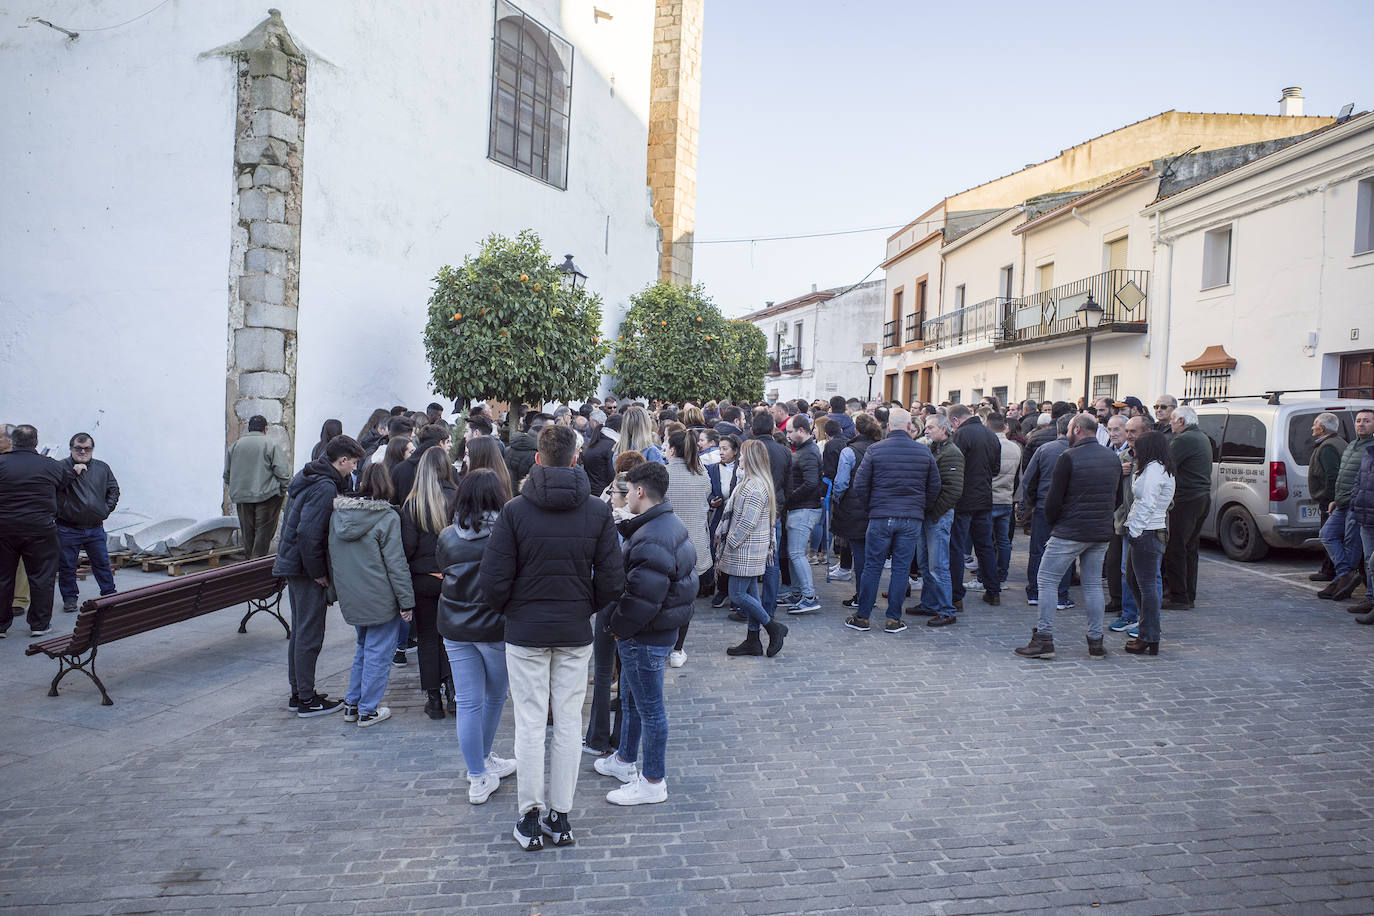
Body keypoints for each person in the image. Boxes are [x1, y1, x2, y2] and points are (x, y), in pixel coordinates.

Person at [480, 425, 625, 851]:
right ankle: (559, 816)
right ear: (576, 459)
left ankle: (530, 815)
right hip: (572, 629)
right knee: (566, 724)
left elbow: (493, 582)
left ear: (539, 460)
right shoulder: (596, 513)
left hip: (527, 631)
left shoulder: (515, 511)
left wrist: (515, 610)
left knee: (529, 723)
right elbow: (613, 580)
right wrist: (583, 606)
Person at [594, 461, 697, 806]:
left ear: (639, 491)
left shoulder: (653, 537)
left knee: (650, 709)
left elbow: (642, 599)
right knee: (632, 700)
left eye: (625, 491)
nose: (619, 497)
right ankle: (624, 759)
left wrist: (616, 628)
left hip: (645, 636)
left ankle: (653, 781)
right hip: (652, 633)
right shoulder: (664, 524)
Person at [437, 468, 517, 803]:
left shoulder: (447, 536)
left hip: (455, 625)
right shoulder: (504, 533)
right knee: (495, 696)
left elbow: (443, 570)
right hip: (493, 627)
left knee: (468, 701)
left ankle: (478, 773)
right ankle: (481, 764)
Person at [1014, 415, 1120, 660]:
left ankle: (1044, 638)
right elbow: (1118, 497)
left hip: (1070, 529)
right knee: (1092, 584)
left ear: (1078, 429)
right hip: (1100, 530)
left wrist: (1055, 523)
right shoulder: (1111, 457)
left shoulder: (1069, 457)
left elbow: (1053, 499)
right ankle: (1095, 642)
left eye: (1070, 429)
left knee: (1047, 580)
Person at [273, 434, 365, 716]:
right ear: (343, 460)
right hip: (304, 569)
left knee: (301, 632)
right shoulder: (324, 487)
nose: (354, 470)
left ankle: (299, 692)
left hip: (295, 565)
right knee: (309, 634)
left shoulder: (312, 476)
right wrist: (319, 574)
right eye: (353, 464)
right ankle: (306, 699)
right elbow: (308, 533)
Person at [328, 463, 414, 727]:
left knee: (364, 649)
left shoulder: (339, 516)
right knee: (378, 652)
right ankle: (368, 709)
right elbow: (396, 564)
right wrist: (406, 601)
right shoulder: (387, 517)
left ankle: (353, 703)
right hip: (380, 595)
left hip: (353, 595)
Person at [844, 408, 942, 634]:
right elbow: (934, 486)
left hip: (880, 516)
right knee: (901, 568)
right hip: (910, 518)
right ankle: (893, 619)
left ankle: (863, 617)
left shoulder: (875, 450)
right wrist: (921, 507)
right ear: (910, 427)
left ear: (888, 427)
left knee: (872, 566)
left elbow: (860, 484)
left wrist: (872, 507)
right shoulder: (922, 451)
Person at [585, 450, 646, 757]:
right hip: (620, 603)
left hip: (616, 602)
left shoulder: (621, 524)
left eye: (614, 493)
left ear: (628, 495)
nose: (609, 496)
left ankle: (606, 737)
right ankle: (605, 736)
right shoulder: (628, 522)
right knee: (616, 671)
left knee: (618, 671)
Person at [0, 424, 74, 638]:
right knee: (42, 577)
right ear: (36, 442)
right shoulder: (50, 465)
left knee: (3, 576)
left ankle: (1, 625)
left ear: (12, 441)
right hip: (40, 529)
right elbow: (65, 482)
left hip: (4, 528)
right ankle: (39, 625)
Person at [402, 446, 460, 720]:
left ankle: (433, 698)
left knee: (427, 638)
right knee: (452, 638)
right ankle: (453, 691)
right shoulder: (457, 498)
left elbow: (407, 547)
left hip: (424, 579)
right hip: (453, 579)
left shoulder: (413, 504)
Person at [717, 439, 789, 657]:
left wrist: (730, 542)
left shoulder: (755, 487)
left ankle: (773, 627)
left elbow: (748, 522)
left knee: (738, 595)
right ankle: (753, 640)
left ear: (750, 459)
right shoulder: (751, 482)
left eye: (742, 455)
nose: (738, 458)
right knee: (750, 595)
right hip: (748, 549)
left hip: (745, 550)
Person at [1122, 431, 1176, 655]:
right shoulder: (1159, 467)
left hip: (1147, 531)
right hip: (1149, 530)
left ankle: (1149, 636)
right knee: (1136, 580)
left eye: (1137, 445)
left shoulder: (1154, 469)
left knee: (1145, 585)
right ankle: (1148, 633)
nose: (1133, 448)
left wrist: (1134, 530)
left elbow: (1147, 502)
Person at [663, 430, 713, 667]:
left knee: (662, 597)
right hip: (694, 545)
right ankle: (677, 648)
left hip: (667, 543)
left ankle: (663, 644)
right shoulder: (702, 474)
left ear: (672, 450)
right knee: (685, 600)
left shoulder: (663, 473)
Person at [56, 432, 121, 612]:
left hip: (94, 528)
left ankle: (109, 595)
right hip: (67, 528)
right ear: (71, 448)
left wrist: (104, 510)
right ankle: (70, 599)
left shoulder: (102, 467)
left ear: (92, 449)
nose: (83, 452)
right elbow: (52, 489)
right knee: (67, 566)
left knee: (101, 563)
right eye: (78, 448)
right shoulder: (60, 467)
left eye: (87, 448)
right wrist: (71, 473)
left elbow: (113, 490)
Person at [948, 404, 1001, 607]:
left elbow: (953, 467)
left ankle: (956, 595)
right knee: (985, 545)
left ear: (955, 421)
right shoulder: (991, 435)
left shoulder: (961, 435)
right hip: (984, 497)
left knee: (957, 547)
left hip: (963, 499)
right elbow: (995, 469)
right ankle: (993, 590)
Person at [1161, 405, 1214, 610]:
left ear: (1181, 422)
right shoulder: (1201, 437)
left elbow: (1166, 464)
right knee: (1190, 548)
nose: (1171, 424)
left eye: (1173, 420)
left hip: (1186, 499)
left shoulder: (1184, 439)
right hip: (1200, 498)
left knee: (1176, 548)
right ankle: (1187, 594)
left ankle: (1179, 596)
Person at [910, 415, 961, 624]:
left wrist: (933, 512)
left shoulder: (951, 453)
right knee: (925, 562)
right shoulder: (933, 449)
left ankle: (946, 609)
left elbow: (953, 490)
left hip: (937, 516)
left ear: (944, 429)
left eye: (930, 427)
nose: (926, 431)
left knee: (938, 565)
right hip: (928, 514)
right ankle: (930, 603)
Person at [1021, 415, 1073, 611]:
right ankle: (1060, 595)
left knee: (1039, 551)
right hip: (1066, 511)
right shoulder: (1076, 451)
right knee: (1066, 553)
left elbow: (1029, 479)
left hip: (1043, 507)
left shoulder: (1045, 449)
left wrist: (1033, 502)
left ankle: (1035, 592)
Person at [1322, 408, 1374, 602]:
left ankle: (1342, 581)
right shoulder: (1352, 445)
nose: (1361, 424)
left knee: (1353, 547)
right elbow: (1344, 475)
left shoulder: (1371, 447)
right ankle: (1345, 574)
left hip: (1357, 504)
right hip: (1342, 502)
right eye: (1359, 420)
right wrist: (1336, 499)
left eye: (1367, 421)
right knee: (1326, 535)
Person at [224, 415, 292, 559]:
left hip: (242, 496)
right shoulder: (271, 444)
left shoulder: (235, 446)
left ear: (248, 429)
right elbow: (282, 472)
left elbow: (227, 474)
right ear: (265, 429)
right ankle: (257, 562)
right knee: (263, 532)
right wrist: (284, 489)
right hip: (267, 495)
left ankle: (249, 561)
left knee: (247, 532)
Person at [829, 412, 881, 591]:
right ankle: (867, 595)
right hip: (876, 506)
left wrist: (838, 498)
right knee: (871, 556)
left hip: (853, 507)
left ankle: (862, 595)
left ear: (856, 429)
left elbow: (841, 483)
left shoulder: (849, 451)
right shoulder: (879, 447)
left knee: (859, 554)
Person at [780, 415, 823, 614]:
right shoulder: (806, 450)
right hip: (801, 508)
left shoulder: (808, 453)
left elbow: (812, 483)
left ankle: (808, 596)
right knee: (794, 553)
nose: (787, 436)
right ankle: (798, 593)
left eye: (790, 431)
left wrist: (790, 498)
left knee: (797, 553)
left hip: (804, 509)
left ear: (802, 431)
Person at [1307, 413, 1347, 583]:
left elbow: (1333, 475)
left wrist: (1329, 499)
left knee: (1329, 535)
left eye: (1315, 424)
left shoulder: (1328, 447)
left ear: (1322, 429)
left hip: (1330, 501)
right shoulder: (1339, 442)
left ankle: (1330, 571)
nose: (1312, 427)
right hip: (1336, 499)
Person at [987, 413, 1021, 592]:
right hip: (1006, 498)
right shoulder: (1015, 448)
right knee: (1003, 540)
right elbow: (1017, 476)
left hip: (990, 498)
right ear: (1005, 426)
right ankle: (1002, 577)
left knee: (985, 541)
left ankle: (985, 577)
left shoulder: (988, 445)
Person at [707, 433, 740, 605]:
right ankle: (721, 589)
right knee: (717, 553)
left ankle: (734, 592)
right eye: (720, 448)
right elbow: (707, 490)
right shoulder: (712, 469)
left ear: (735, 451)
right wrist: (711, 499)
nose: (721, 452)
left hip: (736, 517)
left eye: (725, 449)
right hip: (718, 516)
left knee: (733, 554)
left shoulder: (740, 468)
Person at [1349, 434, 1374, 622]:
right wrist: (1354, 502)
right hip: (1365, 515)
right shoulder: (1369, 452)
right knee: (1369, 561)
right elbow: (1358, 480)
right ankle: (1371, 599)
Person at [392, 423, 449, 506]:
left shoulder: (400, 469)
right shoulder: (444, 468)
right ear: (440, 443)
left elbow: (394, 501)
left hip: (406, 516)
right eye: (447, 442)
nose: (450, 446)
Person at [580, 409, 617, 497]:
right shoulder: (610, 444)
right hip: (602, 491)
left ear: (595, 423)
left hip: (595, 490)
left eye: (590, 422)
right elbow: (611, 472)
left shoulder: (596, 442)